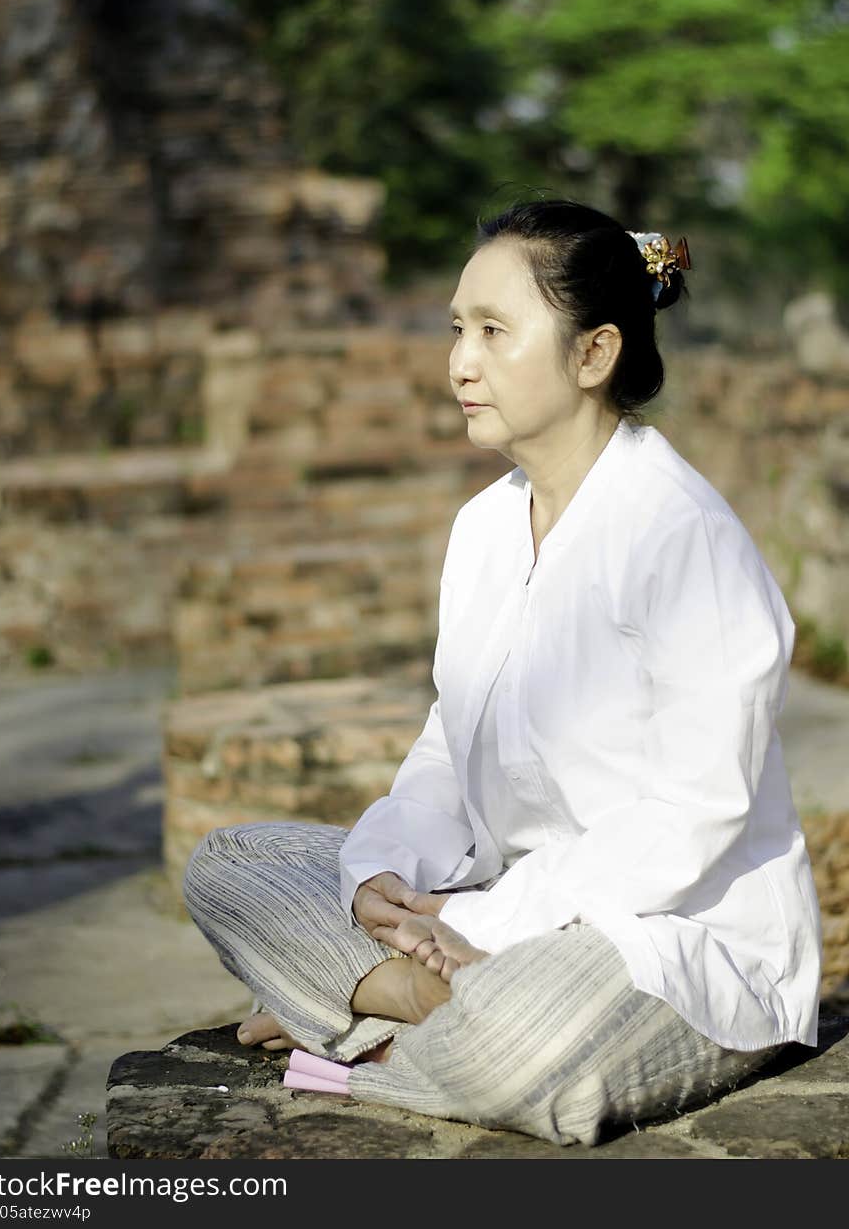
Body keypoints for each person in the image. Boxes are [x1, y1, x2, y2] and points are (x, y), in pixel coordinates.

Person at [183, 198, 822, 1148]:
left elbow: (695, 812)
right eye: (454, 329)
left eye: (492, 331)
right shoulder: (484, 529)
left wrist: (491, 918)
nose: (460, 362)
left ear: (593, 354)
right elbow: (451, 739)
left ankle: (363, 1027)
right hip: (490, 904)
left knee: (518, 1037)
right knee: (228, 865)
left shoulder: (683, 536)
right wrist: (388, 877)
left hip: (662, 936)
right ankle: (411, 998)